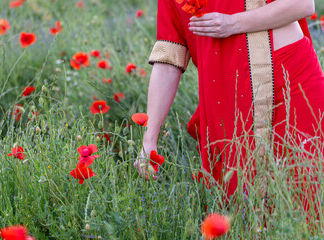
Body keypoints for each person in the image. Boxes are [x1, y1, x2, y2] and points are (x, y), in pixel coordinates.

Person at [134, 0, 322, 214]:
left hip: (290, 82)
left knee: (306, 196)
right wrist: (149, 140)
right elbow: (168, 62)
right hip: (228, 100)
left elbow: (303, 4)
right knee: (243, 209)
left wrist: (233, 23)